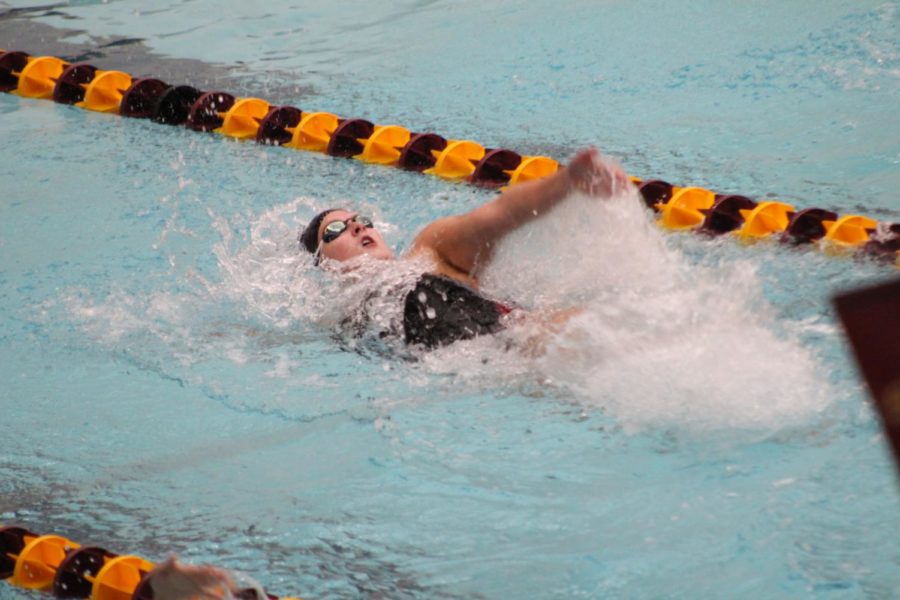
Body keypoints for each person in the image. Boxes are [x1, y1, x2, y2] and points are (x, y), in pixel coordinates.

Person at [298, 147, 631, 349]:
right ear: (324, 265)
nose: (357, 225)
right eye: (336, 230)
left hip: (547, 341)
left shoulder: (429, 251)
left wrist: (565, 184)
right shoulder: (340, 322)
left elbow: (497, 217)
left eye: (361, 218)